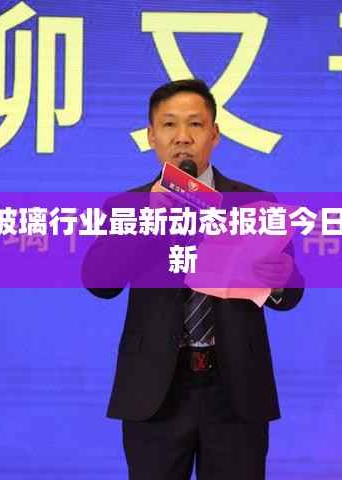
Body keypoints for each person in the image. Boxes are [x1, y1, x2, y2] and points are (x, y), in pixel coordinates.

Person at [83, 79, 304, 480]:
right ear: (151, 136)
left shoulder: (255, 203)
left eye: (195, 124)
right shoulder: (128, 207)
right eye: (169, 124)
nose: (182, 137)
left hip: (236, 389)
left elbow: (290, 292)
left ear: (215, 134)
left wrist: (278, 281)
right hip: (155, 390)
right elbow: (100, 281)